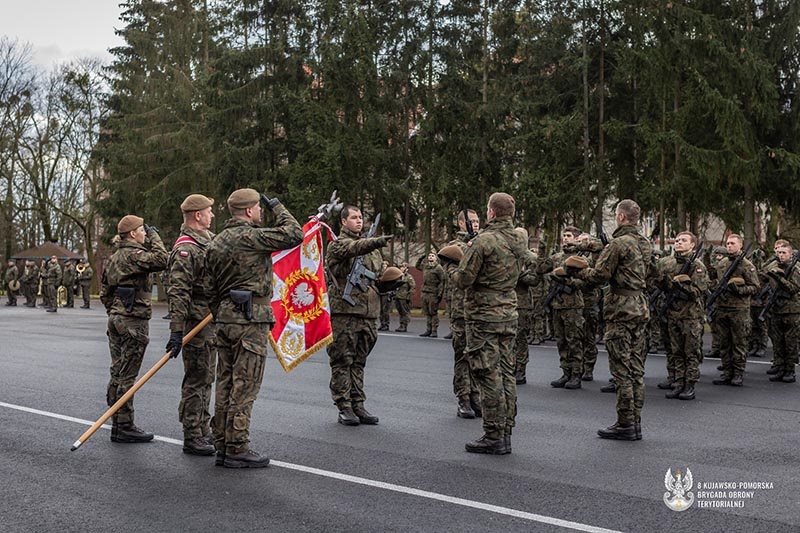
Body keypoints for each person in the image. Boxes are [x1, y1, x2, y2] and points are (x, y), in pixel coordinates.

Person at [205, 189, 302, 468]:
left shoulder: (216, 242)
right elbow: (294, 234)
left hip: (224, 319)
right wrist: (279, 207)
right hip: (251, 319)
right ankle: (237, 447)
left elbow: (210, 288)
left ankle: (222, 442)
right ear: (249, 211)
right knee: (245, 386)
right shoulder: (251, 237)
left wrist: (221, 313)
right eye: (259, 208)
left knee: (224, 382)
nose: (260, 212)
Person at [453, 192, 528, 454]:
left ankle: (494, 434)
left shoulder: (484, 241)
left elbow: (464, 279)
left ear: (491, 212)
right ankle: (506, 429)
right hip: (509, 314)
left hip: (483, 317)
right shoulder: (520, 238)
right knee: (507, 373)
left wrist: (453, 268)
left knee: (488, 375)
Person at [572, 199, 650, 441]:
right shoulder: (644, 243)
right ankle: (635, 421)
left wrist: (576, 270)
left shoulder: (618, 244)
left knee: (622, 370)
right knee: (636, 368)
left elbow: (599, 275)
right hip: (639, 306)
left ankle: (626, 423)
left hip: (621, 309)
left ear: (621, 217)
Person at [100, 215, 168, 444]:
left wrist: (114, 311)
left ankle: (118, 421)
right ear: (132, 234)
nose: (144, 234)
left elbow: (105, 292)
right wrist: (156, 236)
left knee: (118, 371)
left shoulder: (113, 258)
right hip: (132, 321)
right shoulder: (133, 255)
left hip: (117, 319)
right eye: (142, 230)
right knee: (127, 375)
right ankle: (124, 425)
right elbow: (162, 259)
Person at [325, 205, 392, 426]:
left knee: (360, 361)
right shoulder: (337, 245)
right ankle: (343, 406)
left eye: (361, 217)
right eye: (354, 217)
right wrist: (376, 241)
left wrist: (392, 280)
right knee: (342, 359)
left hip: (368, 313)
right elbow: (353, 248)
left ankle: (358, 404)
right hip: (345, 312)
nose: (359, 221)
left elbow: (378, 275)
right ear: (343, 222)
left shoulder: (372, 250)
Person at [166, 193, 217, 456]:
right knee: (196, 379)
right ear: (198, 215)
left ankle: (203, 429)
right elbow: (178, 291)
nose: (212, 215)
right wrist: (176, 330)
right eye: (209, 211)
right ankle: (191, 433)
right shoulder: (186, 248)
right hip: (195, 324)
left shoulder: (207, 242)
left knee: (207, 377)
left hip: (209, 323)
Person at [654, 231, 708, 400]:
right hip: (673, 314)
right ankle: (678, 382)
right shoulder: (668, 263)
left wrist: (682, 285)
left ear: (692, 245)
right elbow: (661, 286)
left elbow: (698, 292)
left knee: (691, 352)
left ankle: (689, 385)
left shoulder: (697, 266)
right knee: (676, 351)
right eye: (677, 240)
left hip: (690, 316)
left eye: (683, 240)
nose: (678, 243)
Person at [439, 209, 482, 418]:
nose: (474, 224)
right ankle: (463, 398)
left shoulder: (483, 242)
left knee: (478, 356)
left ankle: (476, 396)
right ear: (461, 224)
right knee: (463, 355)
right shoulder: (453, 247)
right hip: (461, 309)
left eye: (477, 220)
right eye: (470, 221)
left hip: (480, 309)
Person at [536, 226, 586, 389]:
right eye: (564, 235)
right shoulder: (557, 257)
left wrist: (568, 282)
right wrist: (542, 251)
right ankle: (566, 372)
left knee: (574, 340)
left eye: (569, 235)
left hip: (573, 305)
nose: (565, 238)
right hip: (557, 305)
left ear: (576, 238)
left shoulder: (580, 258)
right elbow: (541, 269)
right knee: (561, 340)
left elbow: (587, 281)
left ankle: (576, 374)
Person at [710, 234, 759, 387]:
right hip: (722, 307)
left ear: (740, 245)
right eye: (727, 243)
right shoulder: (722, 263)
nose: (729, 246)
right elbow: (716, 282)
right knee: (724, 343)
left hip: (739, 309)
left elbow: (755, 287)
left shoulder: (746, 265)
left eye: (732, 243)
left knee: (738, 343)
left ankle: (738, 373)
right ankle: (727, 372)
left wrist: (738, 290)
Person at [764, 240, 799, 383]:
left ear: (790, 254)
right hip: (776, 309)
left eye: (784, 252)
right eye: (778, 252)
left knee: (790, 343)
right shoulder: (773, 267)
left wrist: (779, 279)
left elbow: (794, 288)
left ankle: (790, 371)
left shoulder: (796, 268)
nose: (781, 255)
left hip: (791, 311)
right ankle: (780, 367)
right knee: (778, 342)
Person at [512, 227, 540, 385]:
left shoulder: (530, 257)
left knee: (520, 338)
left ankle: (521, 370)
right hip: (507, 301)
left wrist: (519, 274)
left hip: (522, 303)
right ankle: (510, 367)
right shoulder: (509, 254)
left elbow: (535, 279)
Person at [416, 251, 446, 337]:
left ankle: (434, 331)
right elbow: (417, 266)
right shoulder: (426, 266)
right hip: (425, 292)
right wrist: (421, 257)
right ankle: (428, 330)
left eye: (432, 256)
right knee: (427, 312)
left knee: (433, 312)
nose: (430, 257)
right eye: (429, 256)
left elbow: (442, 281)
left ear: (436, 258)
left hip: (434, 293)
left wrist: (440, 294)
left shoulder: (438, 268)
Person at [393, 262, 415, 332]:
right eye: (400, 267)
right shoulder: (397, 276)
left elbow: (412, 287)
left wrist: (409, 296)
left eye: (403, 267)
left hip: (404, 296)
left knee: (405, 312)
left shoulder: (408, 277)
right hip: (397, 296)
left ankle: (404, 325)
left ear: (406, 269)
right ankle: (401, 324)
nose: (401, 268)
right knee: (400, 312)